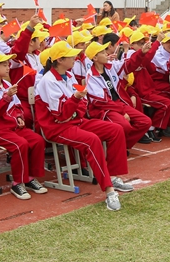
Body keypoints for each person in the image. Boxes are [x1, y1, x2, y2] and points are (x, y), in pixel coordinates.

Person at [34, 41, 133, 211]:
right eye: (70, 56)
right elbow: (60, 115)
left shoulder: (69, 75)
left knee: (116, 129)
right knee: (92, 140)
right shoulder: (48, 81)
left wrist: (76, 103)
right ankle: (109, 190)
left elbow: (82, 104)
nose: (75, 57)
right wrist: (76, 100)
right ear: (60, 60)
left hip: (74, 121)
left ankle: (112, 176)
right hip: (56, 128)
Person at [0, 50, 48, 200]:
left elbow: (18, 106)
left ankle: (29, 177)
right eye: (4, 65)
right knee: (20, 144)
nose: (8, 67)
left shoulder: (7, 83)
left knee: (37, 140)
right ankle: (17, 182)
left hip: (11, 126)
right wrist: (7, 97)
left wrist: (20, 116)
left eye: (8, 64)